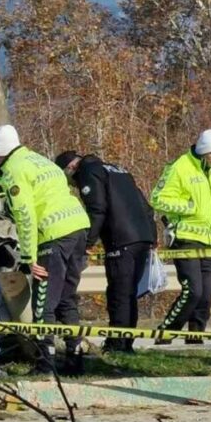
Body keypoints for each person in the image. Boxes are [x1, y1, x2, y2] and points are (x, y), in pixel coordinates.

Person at [0, 125, 90, 374]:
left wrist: (27, 258)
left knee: (44, 305)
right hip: (78, 228)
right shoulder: (40, 161)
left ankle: (46, 364)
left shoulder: (13, 171)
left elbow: (25, 216)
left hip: (53, 236)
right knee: (66, 298)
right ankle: (75, 359)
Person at [56, 151, 157, 354]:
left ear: (70, 168)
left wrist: (88, 241)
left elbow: (97, 209)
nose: (73, 185)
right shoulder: (118, 169)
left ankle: (117, 345)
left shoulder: (88, 172)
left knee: (119, 293)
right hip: (142, 236)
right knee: (129, 293)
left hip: (121, 238)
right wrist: (153, 236)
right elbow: (146, 206)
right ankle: (126, 342)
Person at [150, 129, 211, 344]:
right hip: (185, 238)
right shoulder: (179, 167)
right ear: (203, 152)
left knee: (206, 294)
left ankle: (195, 337)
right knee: (193, 291)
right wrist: (187, 207)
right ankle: (167, 332)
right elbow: (157, 198)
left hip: (208, 241)